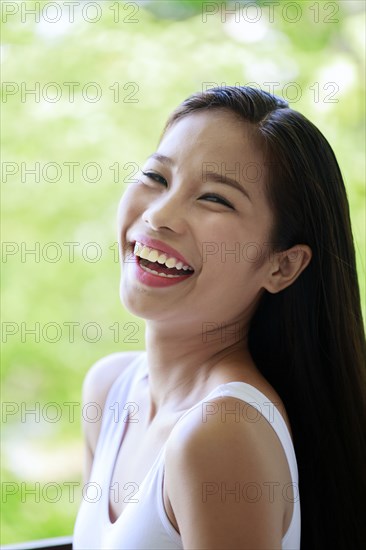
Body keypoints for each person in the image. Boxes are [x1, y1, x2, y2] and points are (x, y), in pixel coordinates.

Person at [73, 86, 366, 549]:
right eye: (156, 176)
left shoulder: (221, 432)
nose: (159, 215)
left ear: (282, 265)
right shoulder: (112, 390)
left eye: (215, 199)